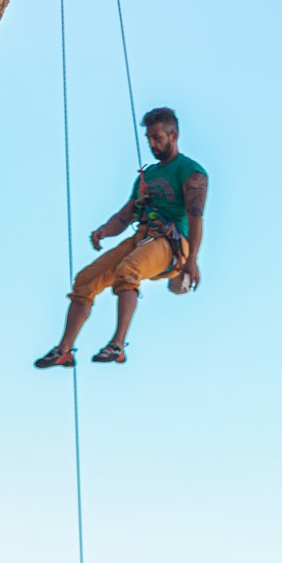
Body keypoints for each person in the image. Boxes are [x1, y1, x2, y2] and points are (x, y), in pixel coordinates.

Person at [34, 106, 208, 368]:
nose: (152, 143)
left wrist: (192, 259)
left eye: (157, 138)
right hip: (142, 237)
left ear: (173, 136)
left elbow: (196, 217)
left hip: (173, 245)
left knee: (129, 270)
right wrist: (104, 230)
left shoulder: (190, 171)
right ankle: (64, 350)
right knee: (85, 279)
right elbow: (126, 215)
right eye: (149, 138)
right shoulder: (146, 176)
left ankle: (118, 345)